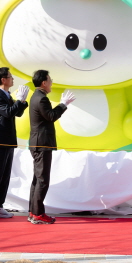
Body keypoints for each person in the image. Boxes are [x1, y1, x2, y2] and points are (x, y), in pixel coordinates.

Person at [0, 67, 29, 221]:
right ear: (3, 79)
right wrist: (19, 101)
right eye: (10, 77)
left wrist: (22, 102)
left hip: (8, 141)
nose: (12, 79)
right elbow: (8, 112)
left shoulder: (7, 96)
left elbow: (18, 113)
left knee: (5, 175)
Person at [28, 70, 75, 224]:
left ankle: (33, 211)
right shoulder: (41, 98)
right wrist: (63, 104)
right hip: (42, 143)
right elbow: (51, 116)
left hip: (37, 143)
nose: (51, 82)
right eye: (50, 80)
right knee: (42, 180)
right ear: (44, 83)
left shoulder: (36, 96)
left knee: (37, 179)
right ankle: (38, 214)